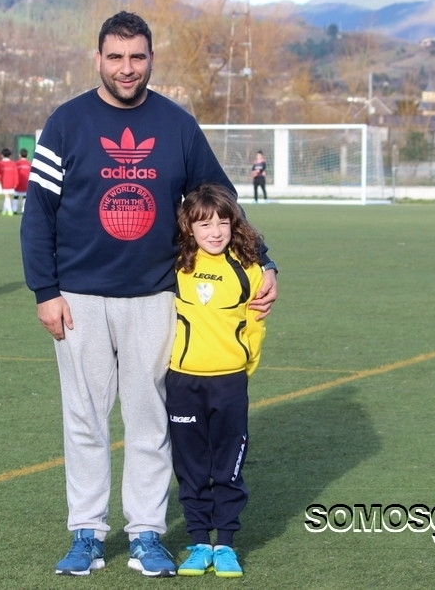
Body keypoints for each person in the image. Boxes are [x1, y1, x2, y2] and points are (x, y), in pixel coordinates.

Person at [19, 11, 278, 578]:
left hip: (157, 297)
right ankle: (87, 533)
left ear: (151, 59)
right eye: (115, 56)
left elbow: (221, 201)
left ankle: (146, 534)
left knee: (150, 420)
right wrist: (45, 290)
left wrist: (263, 260)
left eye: (137, 56)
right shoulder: (65, 123)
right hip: (78, 298)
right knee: (84, 419)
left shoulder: (177, 125)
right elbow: (37, 213)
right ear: (98, 59)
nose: (126, 67)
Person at [167, 184, 266, 578]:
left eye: (223, 222)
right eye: (204, 224)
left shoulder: (249, 269)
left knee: (227, 466)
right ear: (189, 227)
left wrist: (240, 368)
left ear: (233, 224)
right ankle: (198, 542)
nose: (215, 231)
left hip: (229, 382)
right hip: (182, 382)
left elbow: (255, 327)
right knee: (191, 466)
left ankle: (225, 543)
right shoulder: (175, 265)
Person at [0, 147, 18, 216]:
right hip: (11, 183)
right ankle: (4, 210)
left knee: (7, 196)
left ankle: (10, 211)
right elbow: (16, 174)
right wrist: (16, 183)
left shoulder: (0, 164)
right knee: (7, 197)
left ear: (2, 155)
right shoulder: (13, 163)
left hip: (4, 182)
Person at [13, 147, 32, 214]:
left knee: (16, 197)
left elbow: (14, 173)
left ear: (20, 155)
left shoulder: (16, 163)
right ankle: (23, 210)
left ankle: (14, 210)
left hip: (18, 183)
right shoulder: (29, 164)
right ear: (27, 155)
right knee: (25, 197)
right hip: (26, 183)